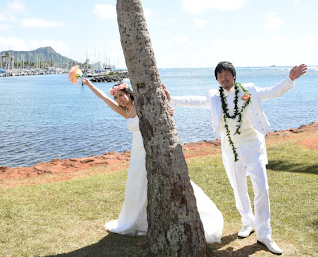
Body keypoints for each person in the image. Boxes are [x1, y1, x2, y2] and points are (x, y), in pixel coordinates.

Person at [163, 62, 307, 255]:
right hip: (231, 149)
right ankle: (248, 222)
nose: (224, 77)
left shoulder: (250, 90)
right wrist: (172, 99)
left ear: (234, 75)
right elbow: (195, 100)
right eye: (220, 75)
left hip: (253, 147)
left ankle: (265, 234)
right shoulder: (214, 96)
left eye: (227, 74)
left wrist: (290, 79)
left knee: (262, 189)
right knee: (238, 188)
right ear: (217, 79)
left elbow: (272, 91)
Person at [82, 78, 223, 243]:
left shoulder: (140, 105)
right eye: (116, 97)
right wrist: (90, 85)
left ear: (129, 94)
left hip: (150, 148)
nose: (119, 99)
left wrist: (168, 111)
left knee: (154, 181)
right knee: (137, 185)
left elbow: (158, 108)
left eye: (122, 95)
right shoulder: (125, 112)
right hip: (136, 152)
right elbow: (104, 99)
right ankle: (139, 221)